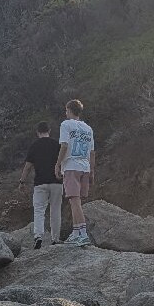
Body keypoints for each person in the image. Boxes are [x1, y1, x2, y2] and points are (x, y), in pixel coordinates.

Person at [55, 99, 95, 246]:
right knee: (76, 201)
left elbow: (64, 145)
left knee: (74, 200)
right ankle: (76, 232)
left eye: (66, 110)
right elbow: (92, 152)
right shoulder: (88, 129)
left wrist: (58, 164)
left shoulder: (66, 125)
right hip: (85, 166)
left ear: (69, 110)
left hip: (71, 165)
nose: (65, 113)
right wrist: (92, 171)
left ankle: (83, 234)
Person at [19, 121, 63, 248]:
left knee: (39, 211)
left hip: (40, 183)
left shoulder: (34, 146)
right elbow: (63, 162)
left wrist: (22, 181)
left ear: (37, 132)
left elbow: (28, 167)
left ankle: (38, 236)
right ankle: (55, 238)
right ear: (49, 131)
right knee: (55, 210)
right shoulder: (57, 144)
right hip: (56, 182)